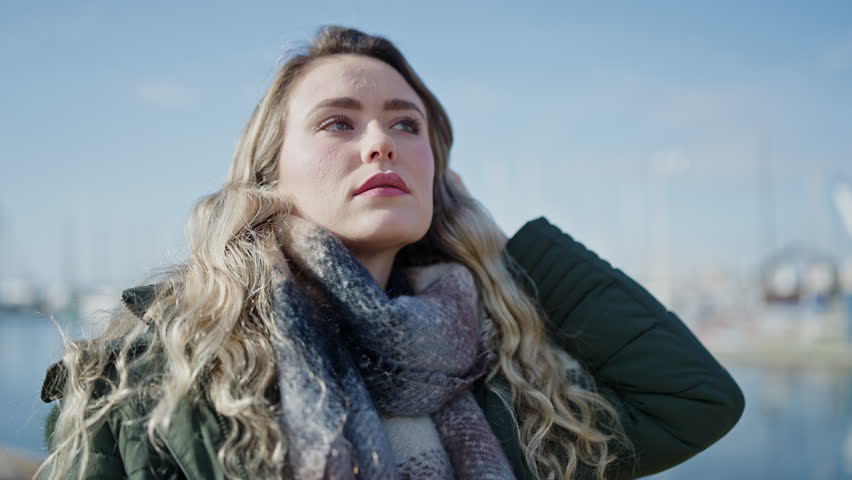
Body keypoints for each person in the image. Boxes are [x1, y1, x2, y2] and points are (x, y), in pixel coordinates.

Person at [38, 25, 744, 480]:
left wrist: (497, 243)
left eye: (406, 126)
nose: (381, 142)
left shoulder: (508, 375)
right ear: (268, 175)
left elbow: (694, 403)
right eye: (338, 122)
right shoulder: (157, 372)